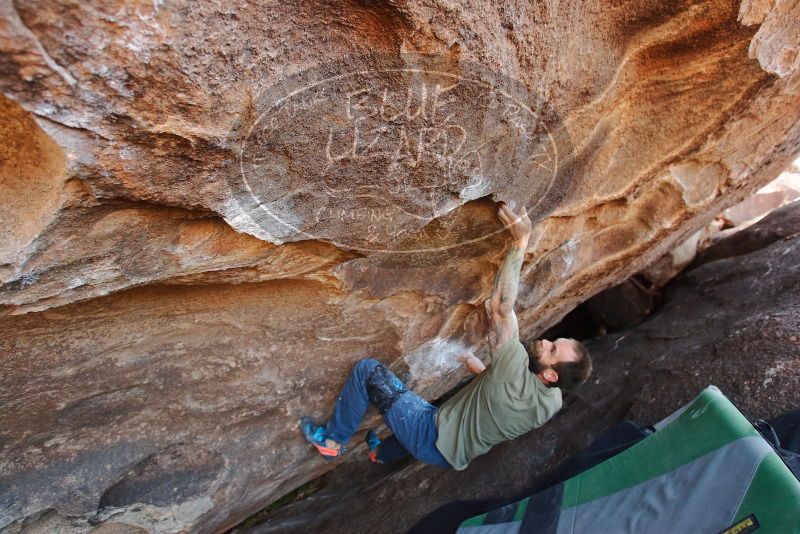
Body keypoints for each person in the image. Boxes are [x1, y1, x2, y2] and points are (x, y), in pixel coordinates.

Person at [300, 202, 593, 470]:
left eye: (552, 349)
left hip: (431, 433)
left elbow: (502, 308)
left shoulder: (514, 368)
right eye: (556, 340)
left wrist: (520, 243)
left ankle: (333, 441)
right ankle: (380, 454)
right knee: (434, 412)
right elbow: (499, 398)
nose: (546, 341)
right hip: (453, 452)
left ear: (551, 375)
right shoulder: (551, 403)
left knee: (369, 373)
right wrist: (481, 371)